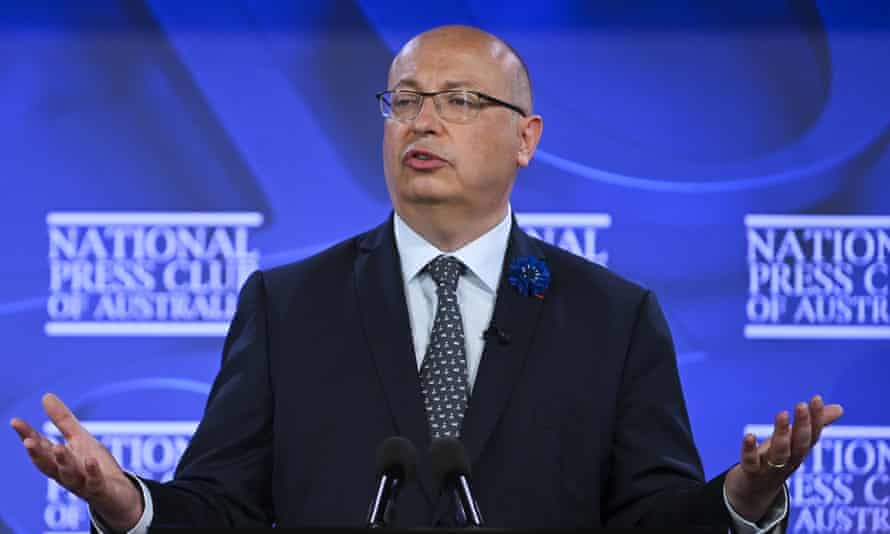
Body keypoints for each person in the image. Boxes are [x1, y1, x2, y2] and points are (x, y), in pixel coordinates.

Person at [11, 25, 842, 530]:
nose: (424, 120)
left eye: (462, 101)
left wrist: (743, 497)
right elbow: (221, 508)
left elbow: (652, 520)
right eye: (404, 100)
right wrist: (128, 505)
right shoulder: (288, 306)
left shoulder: (612, 317)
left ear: (527, 138)